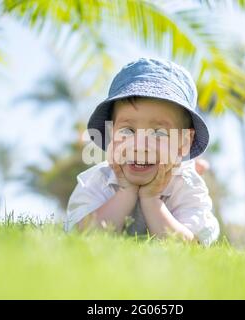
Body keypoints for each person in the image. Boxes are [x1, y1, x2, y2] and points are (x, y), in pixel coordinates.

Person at [64, 58, 219, 246]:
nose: (140, 145)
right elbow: (82, 236)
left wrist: (151, 199)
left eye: (158, 133)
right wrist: (125, 191)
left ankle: (193, 165)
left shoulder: (186, 186)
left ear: (184, 142)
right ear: (112, 134)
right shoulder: (98, 180)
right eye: (127, 131)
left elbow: (188, 248)